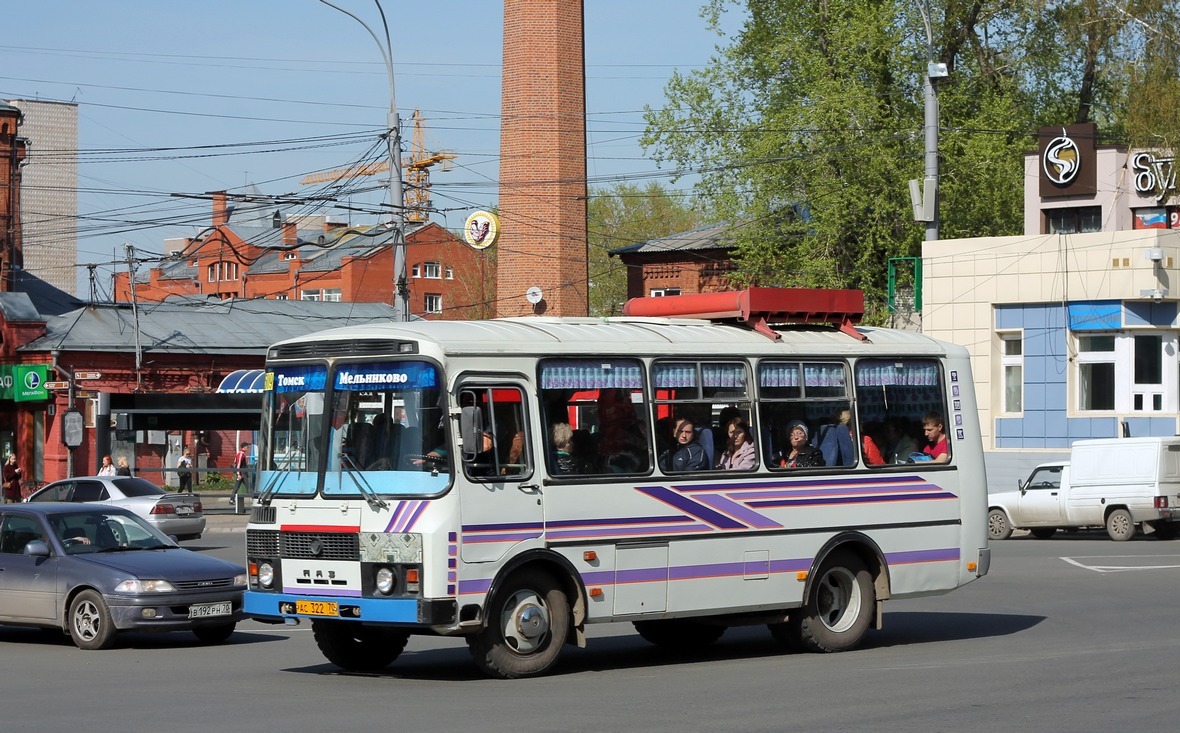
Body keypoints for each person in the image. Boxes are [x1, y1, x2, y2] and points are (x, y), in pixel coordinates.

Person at [232, 442, 250, 513]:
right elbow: (238, 464)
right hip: (242, 474)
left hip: (241, 473)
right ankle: (253, 498)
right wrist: (239, 474)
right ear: (244, 447)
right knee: (247, 486)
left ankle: (231, 498)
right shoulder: (241, 455)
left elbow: (235, 462)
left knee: (237, 487)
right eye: (247, 447)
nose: (247, 448)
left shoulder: (240, 454)